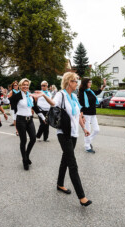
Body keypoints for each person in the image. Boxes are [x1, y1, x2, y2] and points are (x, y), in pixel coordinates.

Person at [33, 72, 92, 207]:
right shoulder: (61, 94)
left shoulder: (74, 96)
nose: (77, 83)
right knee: (72, 164)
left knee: (65, 159)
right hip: (63, 133)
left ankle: (60, 184)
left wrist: (84, 128)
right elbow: (53, 103)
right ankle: (82, 197)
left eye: (77, 81)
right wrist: (43, 95)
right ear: (68, 82)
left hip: (74, 134)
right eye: (75, 81)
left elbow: (77, 115)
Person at [8, 78, 46, 170]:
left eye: (27, 85)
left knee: (33, 139)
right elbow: (8, 101)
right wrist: (6, 95)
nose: (25, 86)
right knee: (23, 141)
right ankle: (25, 160)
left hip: (30, 119)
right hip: (20, 120)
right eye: (24, 85)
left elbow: (35, 107)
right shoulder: (17, 95)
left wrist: (43, 117)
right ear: (20, 86)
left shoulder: (31, 96)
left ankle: (26, 155)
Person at [78, 78, 106, 153]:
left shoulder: (91, 91)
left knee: (97, 130)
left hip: (93, 113)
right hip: (86, 114)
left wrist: (103, 85)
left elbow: (98, 92)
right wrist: (82, 116)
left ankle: (88, 141)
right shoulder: (81, 92)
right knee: (88, 130)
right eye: (89, 82)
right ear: (85, 83)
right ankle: (87, 147)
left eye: (91, 82)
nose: (90, 83)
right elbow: (80, 105)